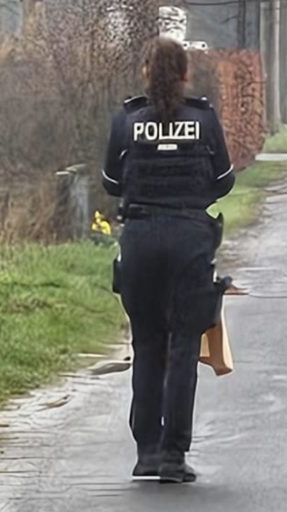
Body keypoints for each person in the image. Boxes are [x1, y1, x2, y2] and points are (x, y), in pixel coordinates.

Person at [102, 37, 235, 484]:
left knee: (146, 344)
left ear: (145, 72)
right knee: (182, 348)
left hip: (139, 240)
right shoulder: (203, 117)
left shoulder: (127, 119)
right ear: (185, 74)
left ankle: (147, 452)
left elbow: (110, 182)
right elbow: (224, 181)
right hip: (188, 241)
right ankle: (175, 456)